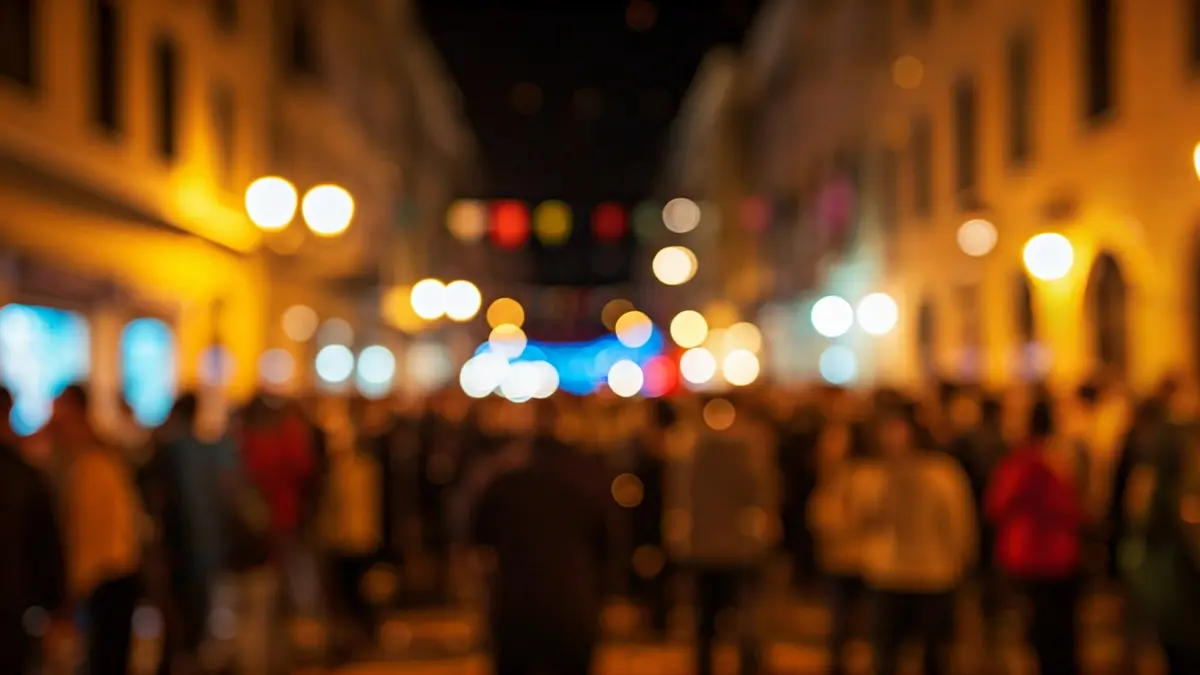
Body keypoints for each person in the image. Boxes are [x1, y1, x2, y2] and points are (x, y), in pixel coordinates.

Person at [471, 398, 624, 675]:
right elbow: (609, 543)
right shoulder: (589, 477)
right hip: (573, 601)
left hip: (515, 605)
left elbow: (479, 539)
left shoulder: (504, 479)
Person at [857, 401, 975, 675]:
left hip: (923, 577)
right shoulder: (879, 475)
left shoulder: (942, 473)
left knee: (922, 655)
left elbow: (960, 527)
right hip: (901, 575)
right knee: (898, 655)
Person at [664, 395, 779, 675]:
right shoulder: (747, 449)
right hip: (739, 547)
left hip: (702, 547)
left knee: (705, 622)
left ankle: (704, 666)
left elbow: (679, 498)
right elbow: (760, 494)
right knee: (744, 618)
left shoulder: (689, 449)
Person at [986, 398, 1084, 675]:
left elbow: (997, 504)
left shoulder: (1024, 462)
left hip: (1034, 557)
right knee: (1059, 634)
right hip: (1060, 556)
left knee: (1044, 633)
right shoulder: (1063, 456)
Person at [52, 385, 143, 675]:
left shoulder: (92, 461)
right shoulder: (99, 455)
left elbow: (92, 530)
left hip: (105, 576)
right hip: (113, 572)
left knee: (103, 659)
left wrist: (75, 587)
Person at [0, 387, 65, 675]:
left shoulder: (25, 476)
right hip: (14, 609)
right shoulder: (25, 476)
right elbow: (46, 546)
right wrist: (54, 607)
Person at [806, 418, 867, 675]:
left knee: (854, 620)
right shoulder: (829, 475)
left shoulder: (857, 476)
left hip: (857, 557)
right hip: (836, 557)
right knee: (839, 620)